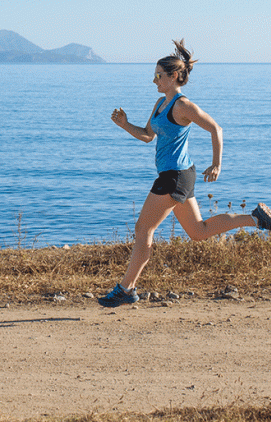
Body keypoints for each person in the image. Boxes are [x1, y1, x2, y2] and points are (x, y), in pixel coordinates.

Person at [98, 40, 271, 308]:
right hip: (179, 174)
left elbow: (216, 129)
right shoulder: (160, 103)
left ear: (174, 76)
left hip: (174, 176)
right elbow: (147, 136)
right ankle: (256, 218)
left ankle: (126, 288)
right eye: (154, 74)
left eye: (159, 75)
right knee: (199, 231)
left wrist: (217, 164)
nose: (154, 79)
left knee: (144, 228)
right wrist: (124, 124)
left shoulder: (182, 105)